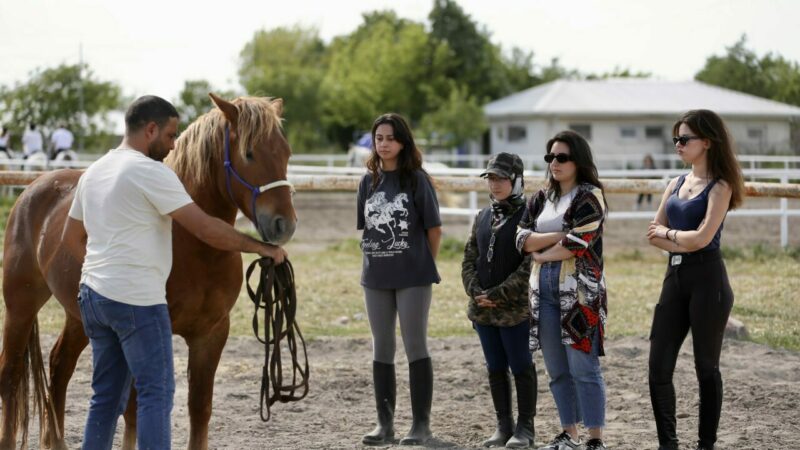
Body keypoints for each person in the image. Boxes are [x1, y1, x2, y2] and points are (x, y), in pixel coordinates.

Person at [62, 95, 287, 450]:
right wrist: (263, 248)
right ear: (150, 129)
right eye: (170, 136)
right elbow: (206, 229)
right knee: (156, 393)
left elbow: (70, 236)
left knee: (105, 397)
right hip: (137, 301)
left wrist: (101, 272)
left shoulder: (96, 170)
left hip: (94, 296)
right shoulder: (153, 173)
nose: (173, 146)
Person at [645, 109, 744, 450]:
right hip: (674, 276)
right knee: (658, 367)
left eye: (685, 139)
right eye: (676, 138)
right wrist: (678, 237)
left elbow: (703, 238)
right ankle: (667, 444)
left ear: (707, 142)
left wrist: (670, 233)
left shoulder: (721, 185)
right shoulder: (675, 183)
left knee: (706, 368)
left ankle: (706, 444)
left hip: (708, 279)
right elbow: (651, 235)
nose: (678, 144)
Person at [516, 130, 609, 450]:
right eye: (550, 157)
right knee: (556, 368)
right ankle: (569, 433)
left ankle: (595, 439)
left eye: (562, 157)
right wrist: (555, 238)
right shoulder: (541, 197)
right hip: (542, 290)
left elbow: (579, 242)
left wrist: (541, 251)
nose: (554, 163)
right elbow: (521, 238)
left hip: (579, 293)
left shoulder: (590, 196)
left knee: (583, 366)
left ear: (578, 161)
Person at [357, 112, 442, 446]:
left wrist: (423, 265)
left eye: (390, 138)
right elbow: (366, 230)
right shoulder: (368, 182)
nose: (384, 144)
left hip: (414, 276)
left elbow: (434, 229)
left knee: (415, 343)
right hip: (376, 275)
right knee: (382, 346)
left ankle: (421, 426)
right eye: (379, 138)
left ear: (403, 141)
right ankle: (385, 425)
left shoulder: (417, 180)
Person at [461, 152, 536, 448]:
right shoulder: (482, 216)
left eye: (502, 178)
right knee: (494, 367)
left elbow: (529, 264)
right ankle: (503, 425)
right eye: (491, 178)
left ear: (516, 180)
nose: (495, 184)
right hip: (483, 311)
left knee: (520, 365)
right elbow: (469, 256)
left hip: (514, 311)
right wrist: (474, 290)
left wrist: (497, 294)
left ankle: (526, 428)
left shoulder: (530, 216)